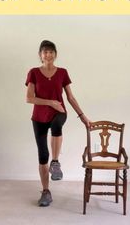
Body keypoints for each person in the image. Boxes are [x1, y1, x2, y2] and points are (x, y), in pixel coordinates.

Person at [25, 39, 90, 207]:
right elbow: (29, 98)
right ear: (40, 55)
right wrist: (50, 102)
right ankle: (46, 192)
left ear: (55, 54)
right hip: (38, 117)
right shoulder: (33, 72)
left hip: (59, 113)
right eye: (45, 51)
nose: (48, 54)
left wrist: (82, 116)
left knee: (56, 126)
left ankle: (55, 163)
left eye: (51, 51)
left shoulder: (62, 72)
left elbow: (70, 97)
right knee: (42, 155)